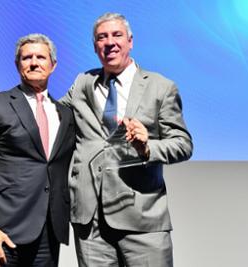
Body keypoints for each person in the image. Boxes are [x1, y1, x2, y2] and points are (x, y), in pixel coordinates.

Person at [60, 12, 193, 266]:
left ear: (130, 41)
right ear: (95, 46)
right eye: (102, 37)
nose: (109, 42)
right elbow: (54, 114)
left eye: (116, 35)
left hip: (142, 218)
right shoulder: (82, 82)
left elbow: (183, 144)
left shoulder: (160, 87)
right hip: (91, 223)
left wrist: (147, 148)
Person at [0, 33, 75, 267]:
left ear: (53, 65)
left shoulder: (65, 114)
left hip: (48, 233)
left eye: (41, 57)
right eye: (27, 58)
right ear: (18, 65)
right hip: (1, 231)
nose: (34, 62)